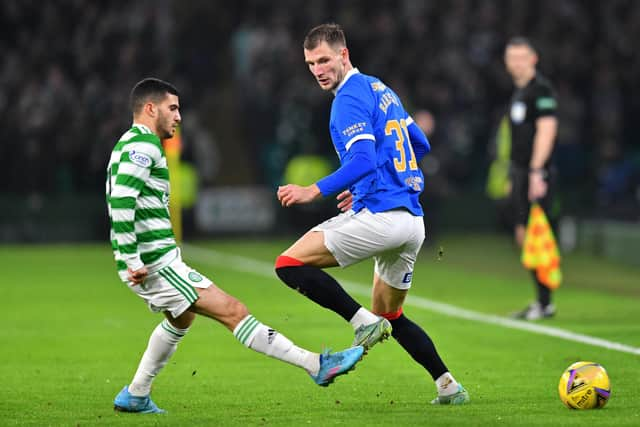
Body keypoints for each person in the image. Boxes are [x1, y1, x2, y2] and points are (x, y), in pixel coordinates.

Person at [106, 78, 364, 414]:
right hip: (156, 264)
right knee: (233, 311)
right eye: (173, 108)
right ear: (150, 108)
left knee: (181, 319)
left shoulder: (130, 143)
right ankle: (315, 364)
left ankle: (136, 393)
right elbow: (123, 201)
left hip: (155, 260)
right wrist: (129, 258)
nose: (179, 116)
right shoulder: (145, 147)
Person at [274, 24, 469, 405]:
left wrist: (314, 190)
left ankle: (361, 323)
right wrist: (369, 184)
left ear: (344, 55)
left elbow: (363, 158)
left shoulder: (347, 98)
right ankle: (448, 385)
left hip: (381, 217)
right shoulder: (381, 89)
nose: (317, 69)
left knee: (288, 264)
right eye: (311, 63)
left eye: (325, 60)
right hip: (412, 222)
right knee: (391, 315)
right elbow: (420, 143)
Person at [503, 37, 559, 320]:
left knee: (537, 234)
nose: (516, 63)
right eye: (511, 57)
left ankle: (545, 301)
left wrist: (537, 171)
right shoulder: (519, 92)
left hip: (536, 173)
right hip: (521, 172)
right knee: (523, 234)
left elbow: (547, 129)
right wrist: (514, 174)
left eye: (522, 57)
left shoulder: (541, 90)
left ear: (533, 58)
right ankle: (542, 299)